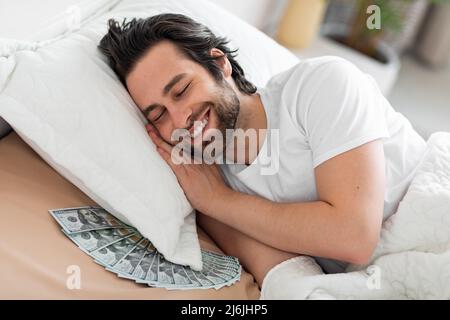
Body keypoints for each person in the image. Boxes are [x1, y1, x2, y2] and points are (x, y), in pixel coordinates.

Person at [98, 13, 426, 287]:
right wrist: (213, 203)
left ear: (220, 64)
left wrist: (219, 202)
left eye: (182, 90)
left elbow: (354, 236)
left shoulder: (321, 85)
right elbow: (290, 279)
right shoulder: (206, 183)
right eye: (159, 115)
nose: (181, 118)